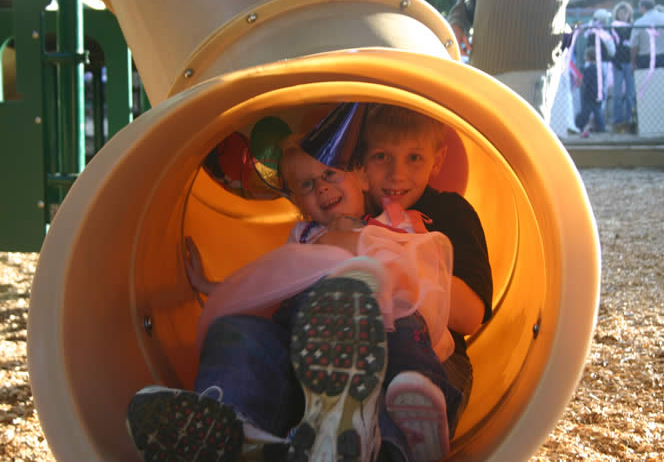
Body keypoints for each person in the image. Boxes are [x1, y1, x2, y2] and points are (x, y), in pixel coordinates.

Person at [126, 105, 463, 462]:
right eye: (307, 185)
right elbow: (268, 282)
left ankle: (404, 431)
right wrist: (210, 285)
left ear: (363, 178)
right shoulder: (302, 235)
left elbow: (424, 270)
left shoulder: (392, 221)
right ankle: (231, 424)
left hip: (373, 329)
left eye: (330, 173)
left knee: (402, 334)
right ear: (299, 204)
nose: (321, 187)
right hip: (305, 339)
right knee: (235, 328)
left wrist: (370, 247)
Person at [350, 104, 493, 441]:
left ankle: (402, 443)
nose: (396, 174)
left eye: (414, 157)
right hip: (357, 350)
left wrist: (412, 251)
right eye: (381, 156)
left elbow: (470, 317)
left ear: (437, 160)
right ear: (359, 162)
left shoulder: (450, 212)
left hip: (436, 357)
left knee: (409, 409)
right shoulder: (349, 211)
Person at [630, 0, 664, 69]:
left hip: (645, 59)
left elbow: (634, 45)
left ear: (643, 7)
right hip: (663, 57)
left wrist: (633, 62)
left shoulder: (639, 23)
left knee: (647, 80)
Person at [610, 1, 636, 133]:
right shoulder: (613, 27)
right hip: (618, 64)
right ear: (617, 14)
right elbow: (611, 46)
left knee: (630, 94)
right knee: (618, 94)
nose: (623, 14)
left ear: (629, 14)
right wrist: (615, 61)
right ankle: (617, 121)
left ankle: (630, 120)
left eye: (625, 12)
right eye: (620, 12)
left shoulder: (634, 27)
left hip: (630, 64)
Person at [575, 46, 607, 135]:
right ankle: (601, 127)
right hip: (598, 93)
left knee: (585, 112)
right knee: (597, 111)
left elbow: (585, 81)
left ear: (588, 57)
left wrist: (579, 80)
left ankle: (578, 125)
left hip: (590, 95)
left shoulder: (588, 69)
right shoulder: (599, 69)